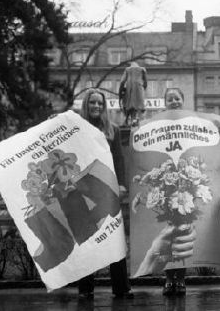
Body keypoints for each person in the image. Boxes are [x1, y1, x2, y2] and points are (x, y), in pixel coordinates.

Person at [154, 87, 220, 296]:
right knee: (169, 234)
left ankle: (181, 278)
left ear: (182, 101)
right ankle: (169, 279)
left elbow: (212, 121)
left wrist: (219, 127)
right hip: (165, 184)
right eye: (170, 99)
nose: (174, 101)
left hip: (186, 184)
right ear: (165, 103)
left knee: (183, 231)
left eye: (177, 98)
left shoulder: (191, 121)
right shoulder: (156, 123)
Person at [76, 89, 133, 300]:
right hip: (83, 190)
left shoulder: (113, 130)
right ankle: (85, 289)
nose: (97, 107)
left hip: (108, 189)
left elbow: (118, 158)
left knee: (114, 239)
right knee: (88, 239)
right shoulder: (75, 128)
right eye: (93, 103)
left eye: (100, 103)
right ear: (86, 104)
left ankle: (121, 288)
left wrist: (122, 185)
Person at [119, 62, 148, 126]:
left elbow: (122, 81)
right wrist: (143, 90)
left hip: (129, 93)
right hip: (139, 92)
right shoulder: (142, 69)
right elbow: (146, 82)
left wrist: (121, 91)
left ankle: (130, 124)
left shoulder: (127, 70)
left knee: (130, 110)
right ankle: (134, 124)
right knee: (137, 111)